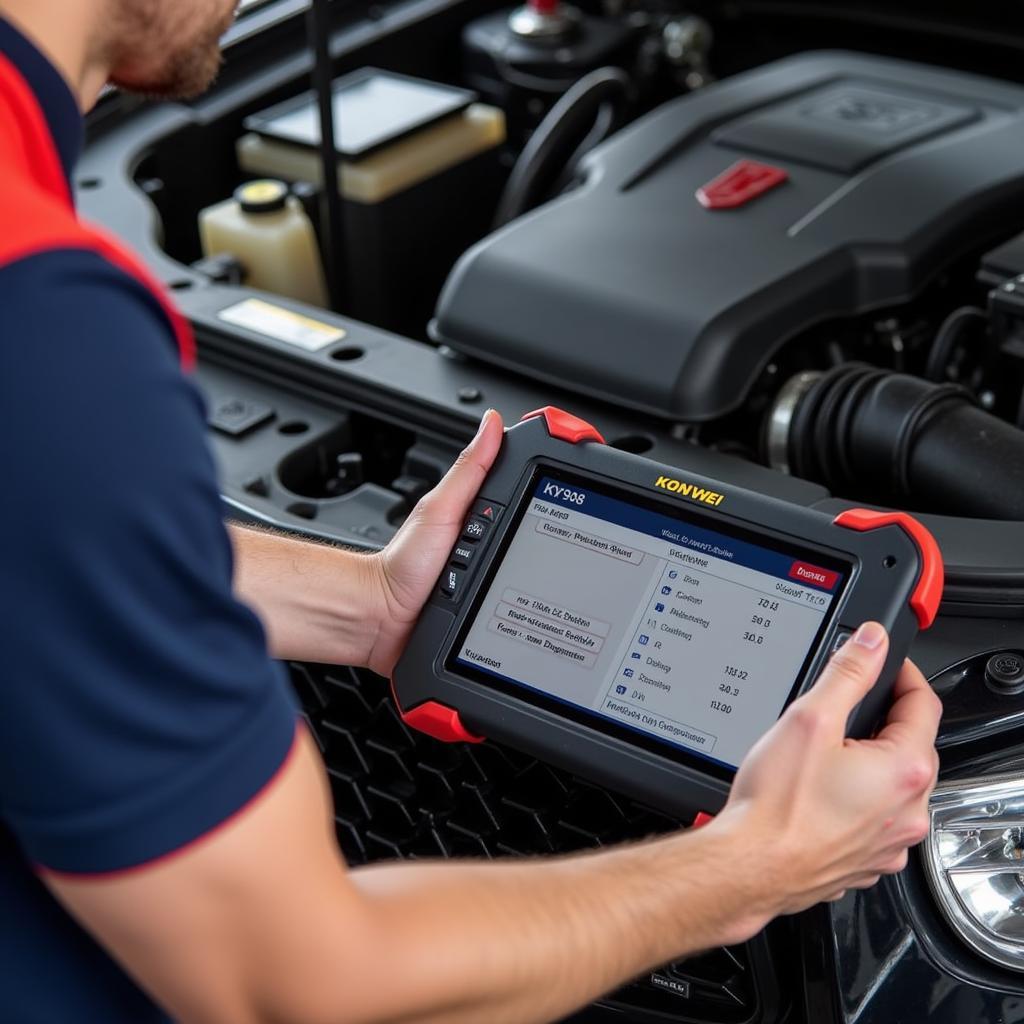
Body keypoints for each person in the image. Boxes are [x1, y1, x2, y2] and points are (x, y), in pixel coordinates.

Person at [0, 1, 943, 1021]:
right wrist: (757, 863)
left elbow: (46, 547)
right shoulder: (49, 331)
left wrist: (365, 604)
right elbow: (290, 990)